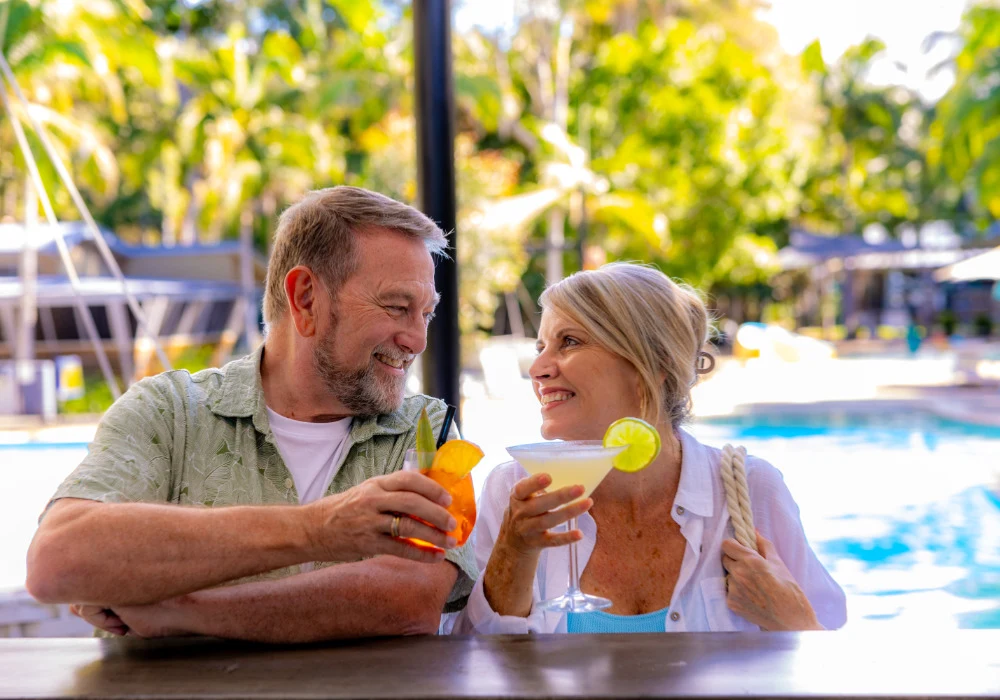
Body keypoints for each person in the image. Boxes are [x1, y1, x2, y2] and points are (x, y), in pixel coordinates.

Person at [26, 186, 477, 642]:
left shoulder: (425, 429)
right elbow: (58, 561)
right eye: (398, 307)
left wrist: (181, 611)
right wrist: (321, 528)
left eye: (426, 313)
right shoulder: (169, 411)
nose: (417, 340)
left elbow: (410, 601)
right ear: (305, 299)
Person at [452, 263, 846, 634]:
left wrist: (792, 618)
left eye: (569, 341)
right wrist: (513, 555)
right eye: (540, 346)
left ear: (650, 366)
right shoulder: (515, 490)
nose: (538, 368)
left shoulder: (749, 489)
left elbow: (833, 669)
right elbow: (469, 665)